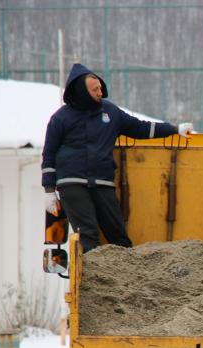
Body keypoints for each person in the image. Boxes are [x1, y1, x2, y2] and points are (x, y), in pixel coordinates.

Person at [41, 63, 193, 252]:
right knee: (87, 235)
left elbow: (140, 128)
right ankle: (93, 279)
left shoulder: (110, 112)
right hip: (71, 183)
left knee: (119, 236)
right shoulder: (61, 118)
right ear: (81, 91)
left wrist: (175, 129)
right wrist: (49, 189)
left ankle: (124, 276)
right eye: (94, 90)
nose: (100, 93)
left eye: (100, 88)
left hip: (103, 182)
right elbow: (48, 154)